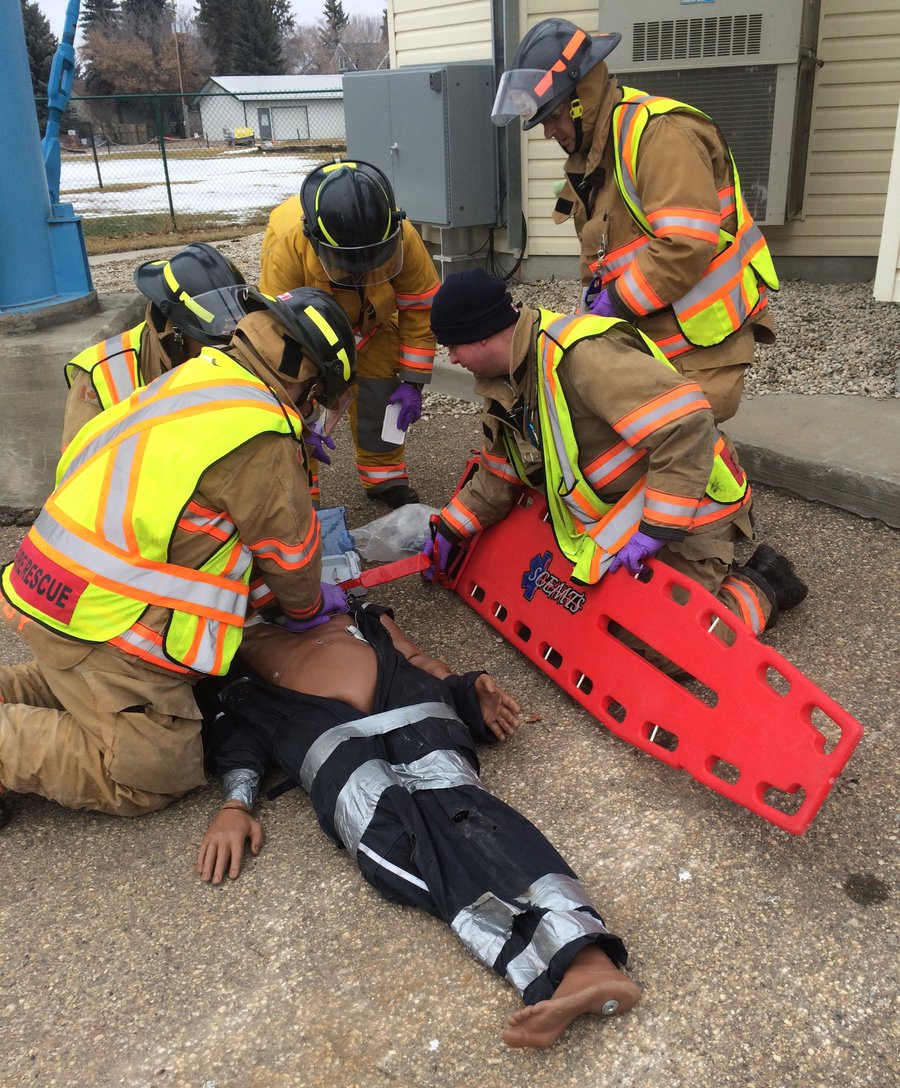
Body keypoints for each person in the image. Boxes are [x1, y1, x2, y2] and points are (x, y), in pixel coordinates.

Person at [196, 594, 641, 1049]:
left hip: (415, 713)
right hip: (331, 745)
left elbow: (416, 659)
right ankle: (576, 961)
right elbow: (235, 731)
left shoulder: (350, 610)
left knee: (473, 815)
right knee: (398, 840)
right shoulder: (217, 649)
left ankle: (583, 961)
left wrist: (469, 695)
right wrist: (235, 804)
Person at [0, 287, 356, 824]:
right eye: (324, 402)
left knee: (70, 681)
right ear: (307, 384)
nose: (320, 417)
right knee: (154, 770)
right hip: (102, 622)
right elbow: (289, 558)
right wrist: (307, 608)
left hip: (52, 593)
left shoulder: (195, 380)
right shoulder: (258, 430)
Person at [423, 269, 807, 653]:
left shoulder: (581, 356)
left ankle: (763, 584)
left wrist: (656, 531)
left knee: (655, 648)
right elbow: (499, 475)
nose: (452, 359)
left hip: (694, 515)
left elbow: (687, 425)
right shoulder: (506, 384)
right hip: (621, 520)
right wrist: (450, 531)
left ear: (484, 333)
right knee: (590, 624)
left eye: (453, 346)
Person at [491, 18, 778, 423]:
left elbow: (685, 244)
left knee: (684, 458)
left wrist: (614, 305)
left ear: (581, 99)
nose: (547, 132)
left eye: (552, 116)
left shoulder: (659, 134)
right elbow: (607, 257)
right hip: (655, 341)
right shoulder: (597, 153)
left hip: (701, 347)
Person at [259, 160, 440, 507]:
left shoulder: (402, 236)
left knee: (382, 391)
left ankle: (383, 475)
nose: (363, 270)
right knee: (298, 396)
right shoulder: (287, 243)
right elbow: (277, 333)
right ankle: (299, 483)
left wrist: (413, 381)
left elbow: (420, 309)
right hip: (307, 337)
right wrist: (297, 410)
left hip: (372, 328)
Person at [61, 242, 247, 452]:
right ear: (175, 330)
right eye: (212, 340)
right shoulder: (101, 373)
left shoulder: (246, 342)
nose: (228, 349)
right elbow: (77, 469)